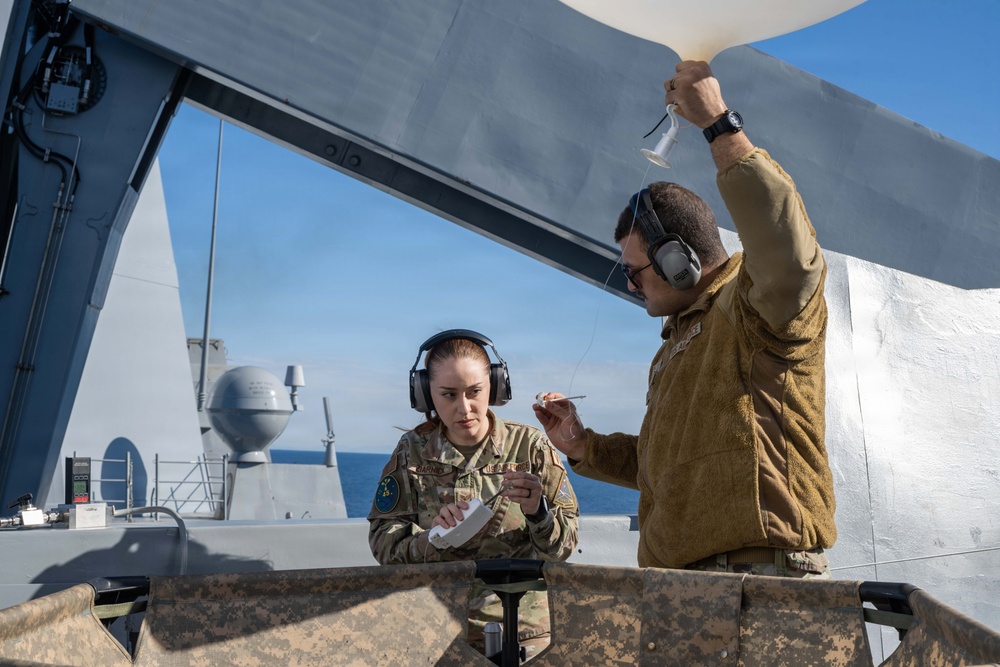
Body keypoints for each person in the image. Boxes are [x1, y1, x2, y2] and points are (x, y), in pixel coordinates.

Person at [534, 60, 836, 578]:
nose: (631, 285)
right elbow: (668, 471)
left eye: (636, 272)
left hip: (755, 583)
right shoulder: (675, 345)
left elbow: (785, 241)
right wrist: (584, 446)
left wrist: (718, 123)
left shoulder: (756, 308)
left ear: (679, 262)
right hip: (683, 586)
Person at [368, 329, 579, 660]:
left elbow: (563, 549)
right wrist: (433, 538)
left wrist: (539, 513)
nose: (464, 408)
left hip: (525, 631)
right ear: (426, 394)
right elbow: (384, 545)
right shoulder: (412, 452)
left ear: (494, 386)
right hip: (439, 629)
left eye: (475, 392)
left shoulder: (531, 447)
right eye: (449, 395)